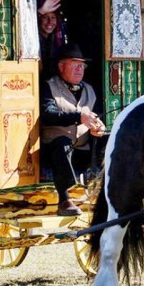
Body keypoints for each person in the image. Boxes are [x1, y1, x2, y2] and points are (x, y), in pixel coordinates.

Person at [41, 43, 106, 216]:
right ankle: (64, 199)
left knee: (108, 141)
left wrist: (98, 127)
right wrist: (79, 117)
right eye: (75, 64)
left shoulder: (89, 89)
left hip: (81, 150)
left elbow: (97, 115)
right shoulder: (49, 86)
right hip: (55, 151)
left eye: (82, 65)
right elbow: (48, 114)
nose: (80, 69)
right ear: (61, 66)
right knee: (62, 144)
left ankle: (108, 191)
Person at [37, 0, 65, 73]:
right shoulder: (33, 38)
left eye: (53, 17)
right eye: (45, 17)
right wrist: (41, 10)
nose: (50, 22)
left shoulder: (56, 40)